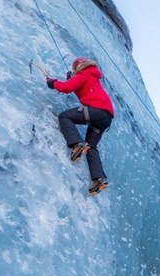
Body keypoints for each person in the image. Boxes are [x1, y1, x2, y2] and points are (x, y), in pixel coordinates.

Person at [46, 57, 114, 196]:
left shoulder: (84, 73)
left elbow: (66, 88)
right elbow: (78, 88)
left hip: (96, 111)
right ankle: (99, 180)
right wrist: (71, 78)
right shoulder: (92, 75)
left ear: (78, 67)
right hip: (106, 117)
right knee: (91, 146)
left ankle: (76, 144)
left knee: (64, 117)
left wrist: (53, 83)